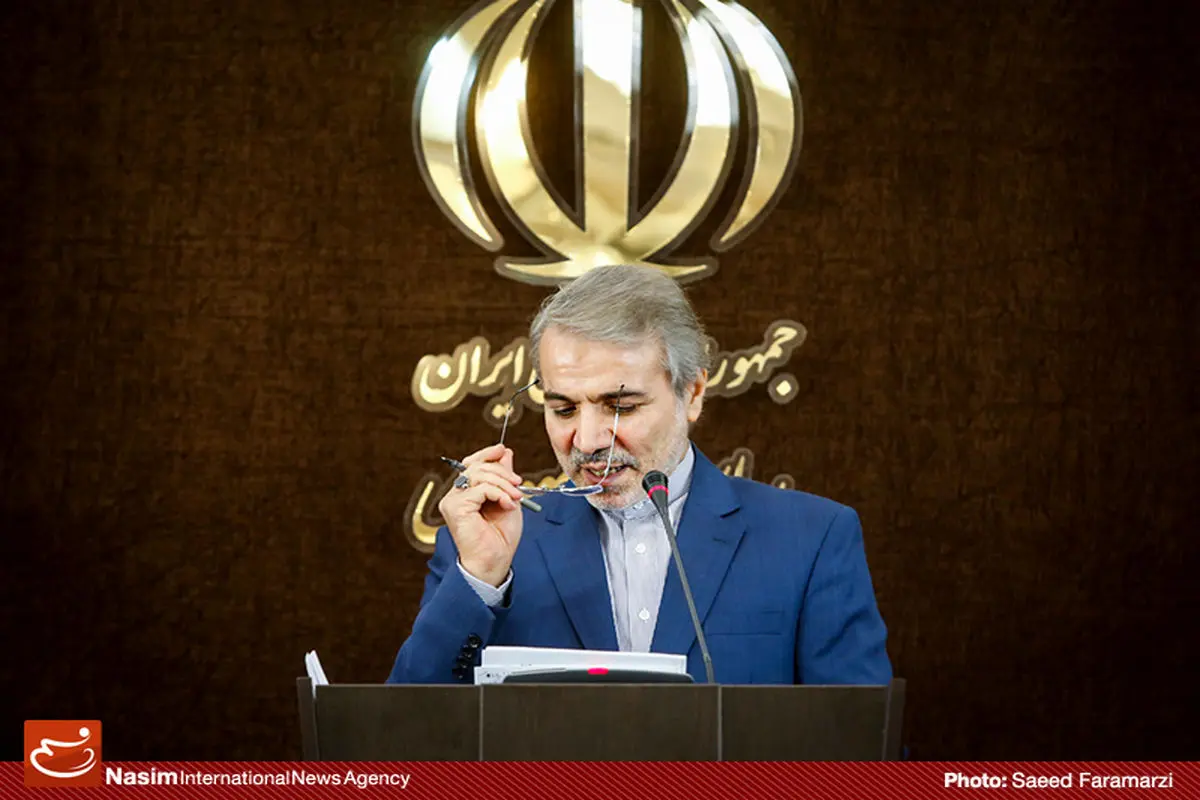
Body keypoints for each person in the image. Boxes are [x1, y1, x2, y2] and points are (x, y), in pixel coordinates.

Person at [387, 265, 891, 685]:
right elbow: (409, 733)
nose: (588, 440)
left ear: (693, 394)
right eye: (563, 409)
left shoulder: (812, 539)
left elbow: (859, 744)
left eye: (620, 407)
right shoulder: (489, 544)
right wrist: (480, 578)